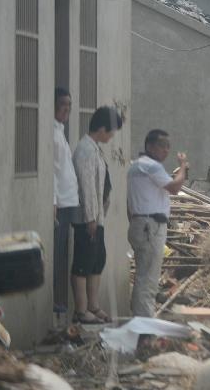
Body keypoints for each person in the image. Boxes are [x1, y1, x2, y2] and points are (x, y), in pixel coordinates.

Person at [127, 130, 189, 317]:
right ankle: (144, 326)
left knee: (143, 276)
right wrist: (183, 167)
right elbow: (175, 188)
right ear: (150, 146)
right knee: (148, 280)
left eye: (168, 146)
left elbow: (128, 204)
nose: (166, 150)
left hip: (139, 224)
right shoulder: (152, 166)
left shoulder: (135, 167)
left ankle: (140, 320)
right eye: (163, 146)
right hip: (150, 226)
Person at [72, 106, 122, 324]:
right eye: (111, 131)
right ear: (102, 129)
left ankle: (93, 306)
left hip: (98, 217)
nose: (112, 137)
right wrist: (91, 217)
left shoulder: (95, 149)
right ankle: (81, 311)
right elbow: (86, 186)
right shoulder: (85, 150)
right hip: (87, 218)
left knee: (97, 260)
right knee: (83, 262)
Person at [53, 88, 80, 319]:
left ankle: (60, 303)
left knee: (63, 254)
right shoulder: (52, 134)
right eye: (63, 104)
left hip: (69, 202)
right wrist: (53, 202)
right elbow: (51, 172)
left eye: (69, 105)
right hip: (60, 204)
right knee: (57, 255)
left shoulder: (60, 132)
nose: (67, 109)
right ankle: (56, 302)